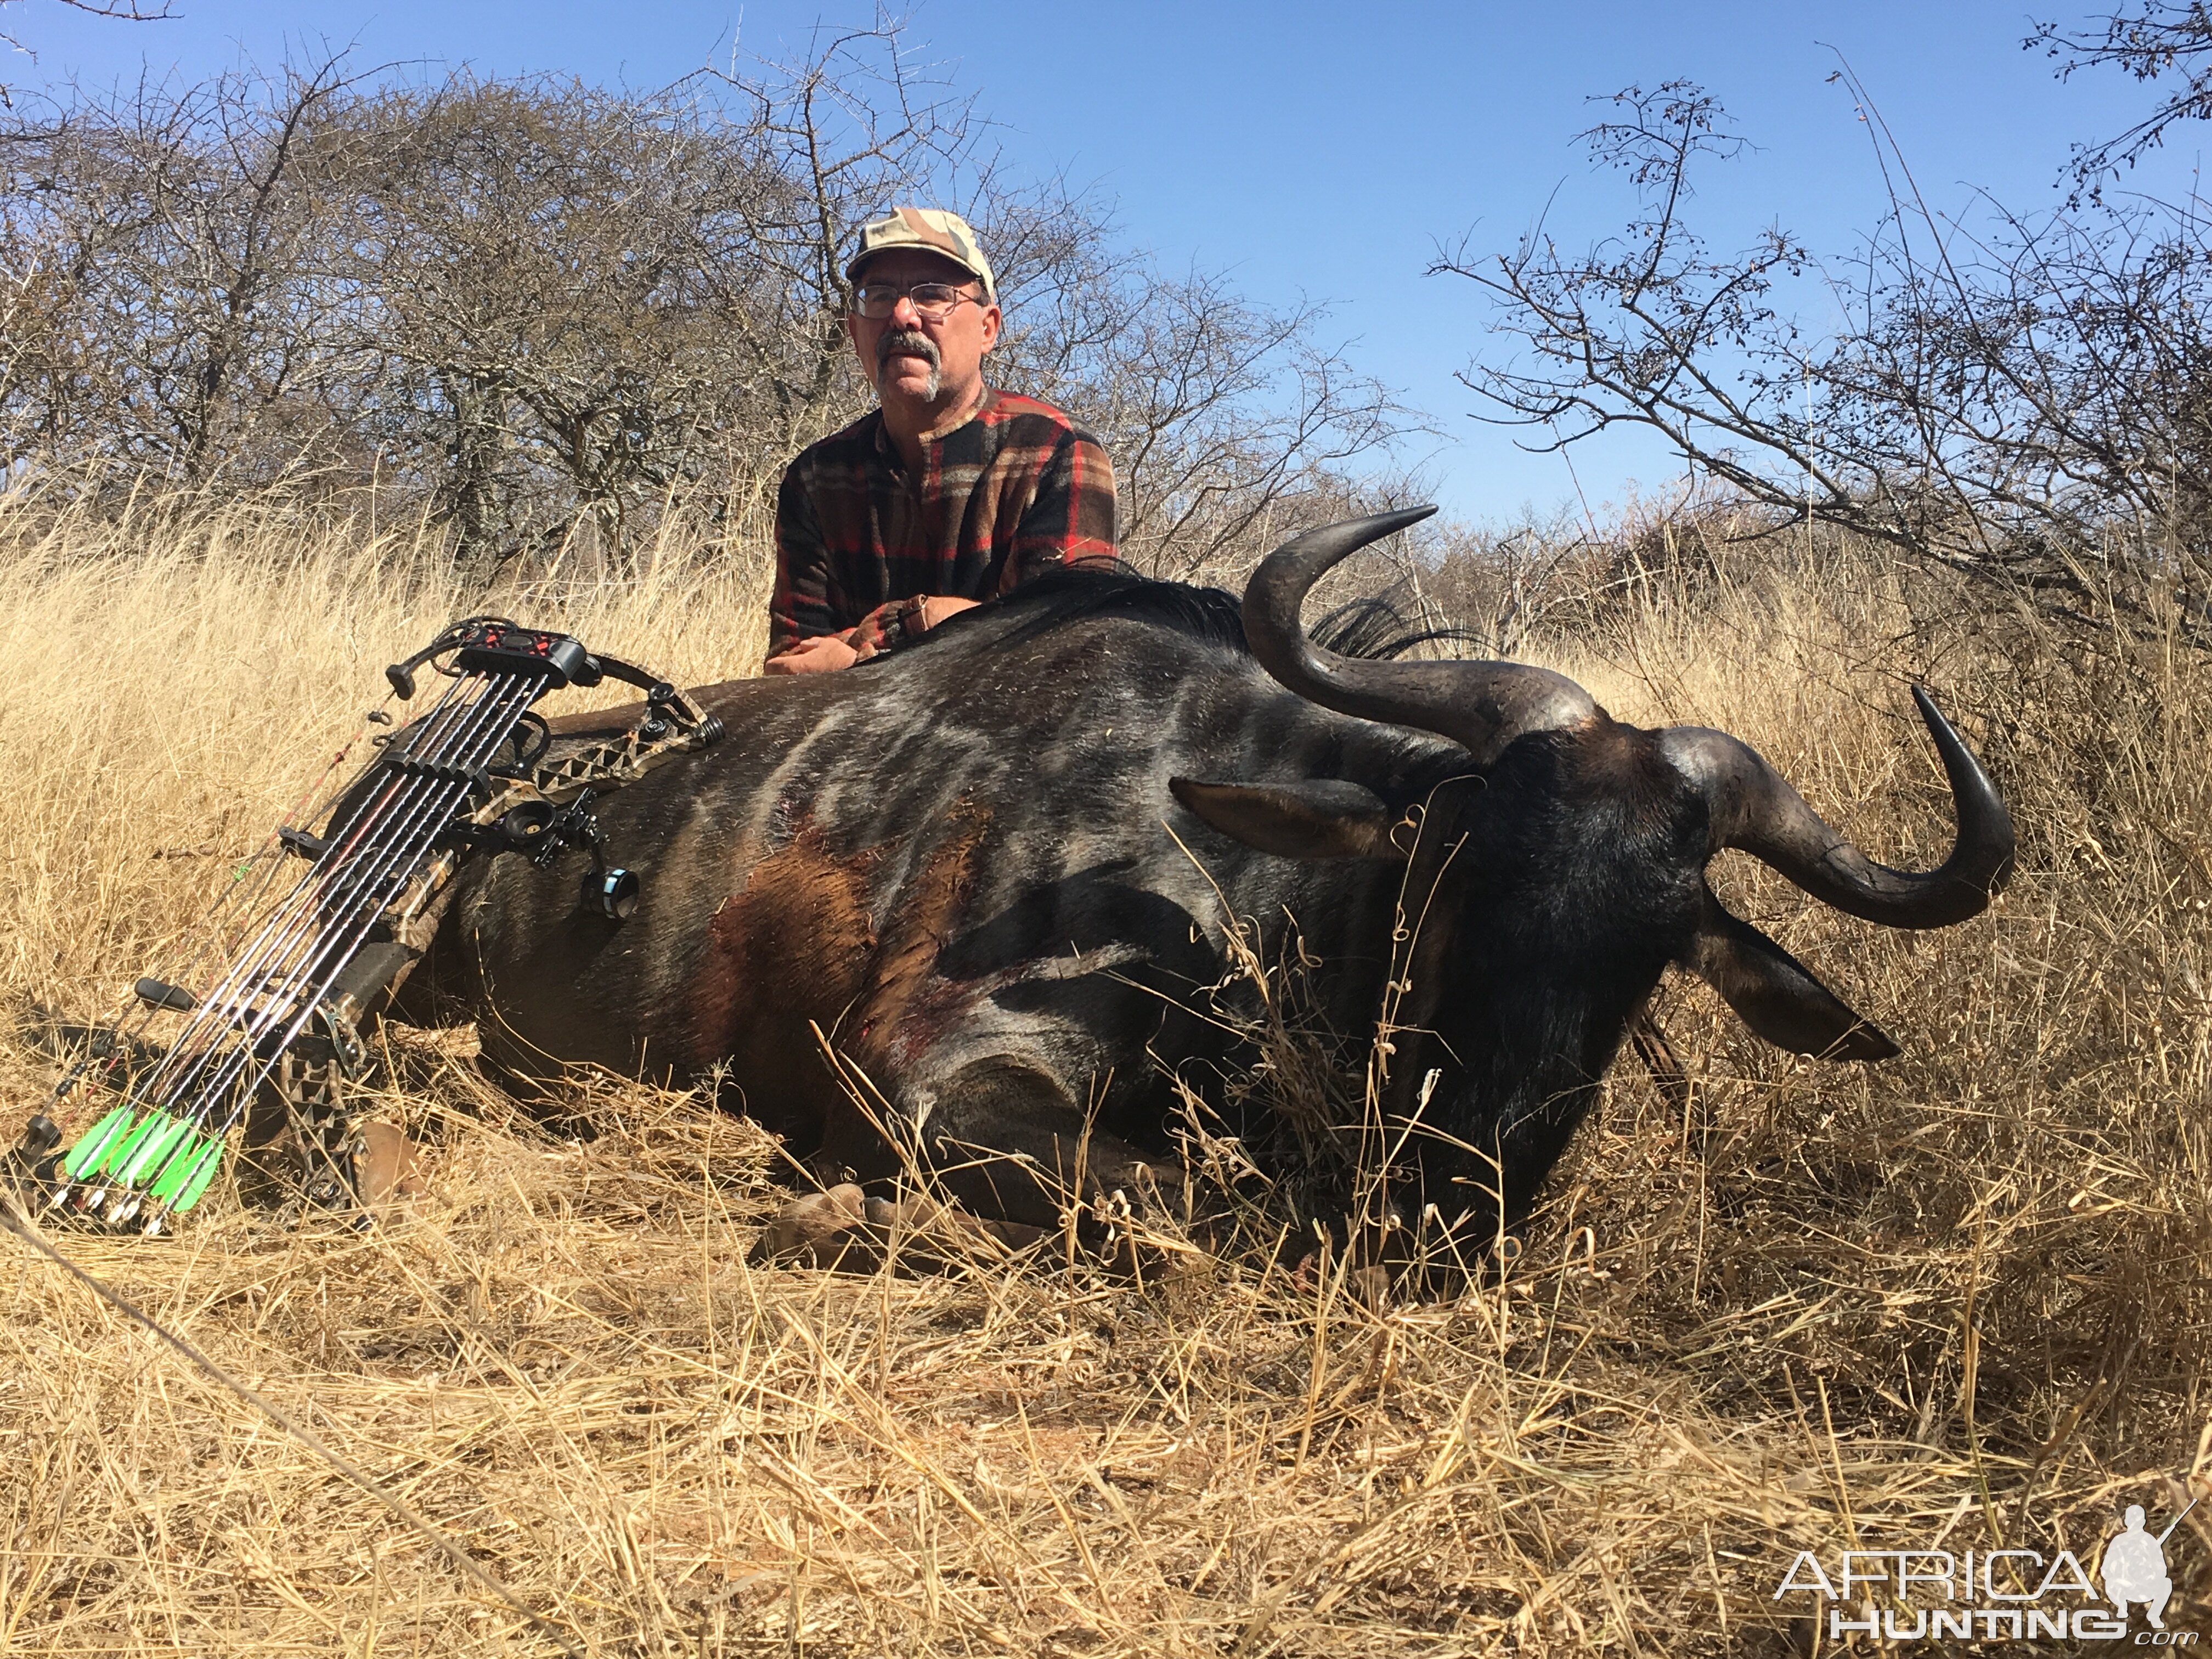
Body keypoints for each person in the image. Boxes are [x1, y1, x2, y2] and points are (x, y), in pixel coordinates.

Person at [763, 206, 1118, 674]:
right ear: (855, 333)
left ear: (988, 328)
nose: (902, 315)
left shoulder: (1057, 452)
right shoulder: (815, 477)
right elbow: (792, 673)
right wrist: (972, 631)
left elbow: (1066, 654)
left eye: (933, 295)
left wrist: (901, 626)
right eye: (880, 295)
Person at [2101, 1504, 2173, 1628]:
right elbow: (2106, 1570)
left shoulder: (2150, 1541)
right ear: (2127, 1522)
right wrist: (2121, 1573)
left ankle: (2154, 1615)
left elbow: (2162, 1570)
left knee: (2166, 1584)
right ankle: (2122, 1608)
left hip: (2145, 1587)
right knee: (2111, 1583)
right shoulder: (2119, 1541)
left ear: (2143, 1522)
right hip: (2122, 1588)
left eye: (2137, 1519)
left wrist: (2149, 1572)